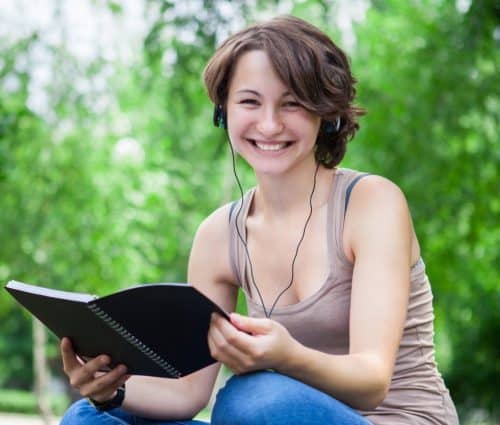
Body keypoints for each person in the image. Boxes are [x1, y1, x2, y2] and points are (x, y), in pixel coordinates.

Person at [59, 15, 459, 425]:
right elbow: (187, 393)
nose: (269, 124)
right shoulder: (219, 235)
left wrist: (287, 357)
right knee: (90, 418)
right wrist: (112, 388)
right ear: (223, 112)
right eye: (250, 102)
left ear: (326, 113)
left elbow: (373, 380)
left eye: (293, 103)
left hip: (392, 419)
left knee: (252, 398)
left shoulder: (372, 204)